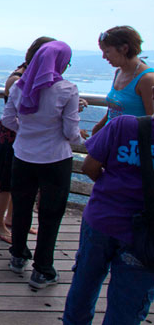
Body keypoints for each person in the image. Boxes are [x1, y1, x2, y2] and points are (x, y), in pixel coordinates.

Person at [1, 40, 88, 289]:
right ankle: (43, 270)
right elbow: (71, 132)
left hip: (23, 156)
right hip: (55, 160)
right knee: (50, 215)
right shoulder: (68, 90)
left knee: (21, 208)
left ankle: (17, 257)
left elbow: (7, 119)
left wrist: (28, 132)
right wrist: (84, 140)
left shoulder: (20, 86)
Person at [62, 90, 154, 325]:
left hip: (102, 218)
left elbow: (90, 167)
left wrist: (111, 188)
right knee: (129, 302)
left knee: (84, 282)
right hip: (145, 236)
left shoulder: (123, 126)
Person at [0, 36, 56, 244]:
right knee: (5, 183)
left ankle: (11, 219)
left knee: (20, 182)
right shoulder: (17, 79)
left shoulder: (32, 74)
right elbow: (16, 113)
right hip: (10, 136)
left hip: (25, 137)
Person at [92, 26, 154, 136]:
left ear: (124, 48)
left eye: (107, 51)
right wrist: (98, 128)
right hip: (110, 138)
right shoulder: (118, 73)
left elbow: (151, 121)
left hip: (130, 144)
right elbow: (114, 109)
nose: (104, 57)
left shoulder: (147, 79)